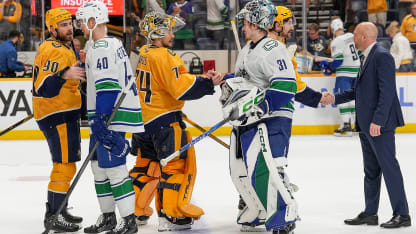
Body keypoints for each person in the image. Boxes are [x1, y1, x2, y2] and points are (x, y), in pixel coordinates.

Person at [129, 11, 223, 232]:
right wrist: (208, 84)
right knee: (174, 168)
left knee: (145, 168)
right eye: (169, 30)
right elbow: (181, 88)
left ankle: (135, 212)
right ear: (158, 33)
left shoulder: (144, 52)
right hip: (164, 122)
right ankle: (171, 216)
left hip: (142, 121)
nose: (172, 34)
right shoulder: (165, 56)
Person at [220, 1, 298, 233]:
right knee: (242, 169)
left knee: (271, 167)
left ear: (257, 23)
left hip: (272, 118)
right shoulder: (247, 49)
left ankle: (284, 216)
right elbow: (245, 79)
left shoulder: (274, 48)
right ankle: (259, 210)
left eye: (246, 22)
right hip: (248, 118)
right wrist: (226, 80)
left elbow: (286, 85)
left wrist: (262, 106)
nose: (243, 27)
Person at [326, 22, 411, 229]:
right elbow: (357, 91)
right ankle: (370, 213)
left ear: (364, 36)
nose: (352, 37)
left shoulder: (382, 56)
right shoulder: (366, 57)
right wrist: (332, 98)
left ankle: (402, 214)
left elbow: (387, 91)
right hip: (366, 125)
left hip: (378, 125)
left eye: (355, 34)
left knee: (389, 168)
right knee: (371, 171)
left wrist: (378, 121)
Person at [75, 2, 144, 234]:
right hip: (103, 114)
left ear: (92, 21)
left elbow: (108, 87)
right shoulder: (104, 44)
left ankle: (129, 219)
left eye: (81, 22)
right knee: (98, 167)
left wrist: (101, 120)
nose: (79, 27)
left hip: (110, 115)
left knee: (114, 168)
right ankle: (108, 217)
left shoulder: (103, 46)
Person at [32, 7, 85, 233]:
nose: (69, 28)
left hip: (63, 112)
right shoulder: (55, 50)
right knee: (63, 166)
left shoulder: (64, 47)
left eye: (69, 23)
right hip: (57, 113)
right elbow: (42, 87)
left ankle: (59, 208)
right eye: (63, 25)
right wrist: (64, 74)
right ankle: (53, 216)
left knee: (66, 164)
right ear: (52, 29)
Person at [267, 6, 330, 109]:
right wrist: (317, 97)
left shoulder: (278, 44)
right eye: (289, 23)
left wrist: (317, 97)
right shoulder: (273, 47)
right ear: (278, 25)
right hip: (269, 109)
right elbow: (293, 84)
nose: (292, 27)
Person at [320, 18, 360, 136]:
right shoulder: (352, 35)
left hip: (345, 73)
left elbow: (338, 60)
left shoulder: (337, 41)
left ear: (333, 29)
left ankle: (346, 126)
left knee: (342, 98)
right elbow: (361, 52)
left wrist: (329, 68)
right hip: (357, 71)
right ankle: (355, 125)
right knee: (353, 98)